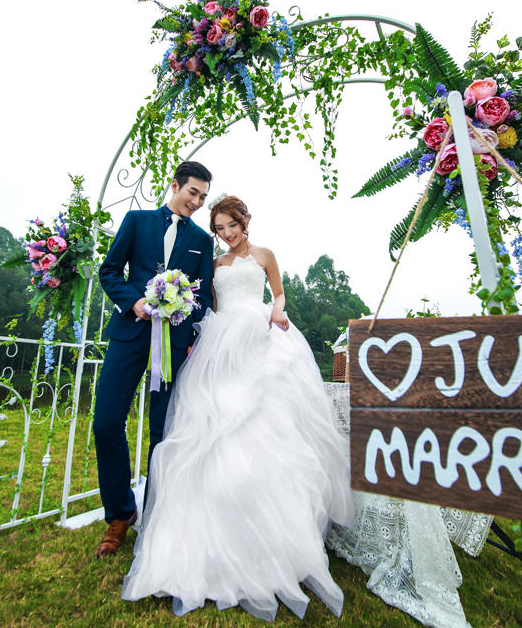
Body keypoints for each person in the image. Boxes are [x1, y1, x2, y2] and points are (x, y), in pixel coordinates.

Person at [122, 195, 354, 621]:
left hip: (261, 334)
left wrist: (277, 315)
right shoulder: (214, 263)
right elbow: (206, 302)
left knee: (269, 423)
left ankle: (278, 536)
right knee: (211, 423)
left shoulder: (265, 255)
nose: (227, 234)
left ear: (245, 221)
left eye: (231, 225)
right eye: (220, 229)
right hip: (220, 343)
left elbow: (279, 297)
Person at [92, 161, 215, 558]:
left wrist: (182, 313)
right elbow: (109, 272)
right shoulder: (137, 221)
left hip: (173, 345)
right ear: (175, 185)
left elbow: (203, 297)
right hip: (129, 333)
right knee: (106, 421)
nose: (196, 202)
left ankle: (159, 514)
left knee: (163, 430)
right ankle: (120, 513)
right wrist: (136, 302)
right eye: (192, 192)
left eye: (202, 197)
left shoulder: (202, 240)